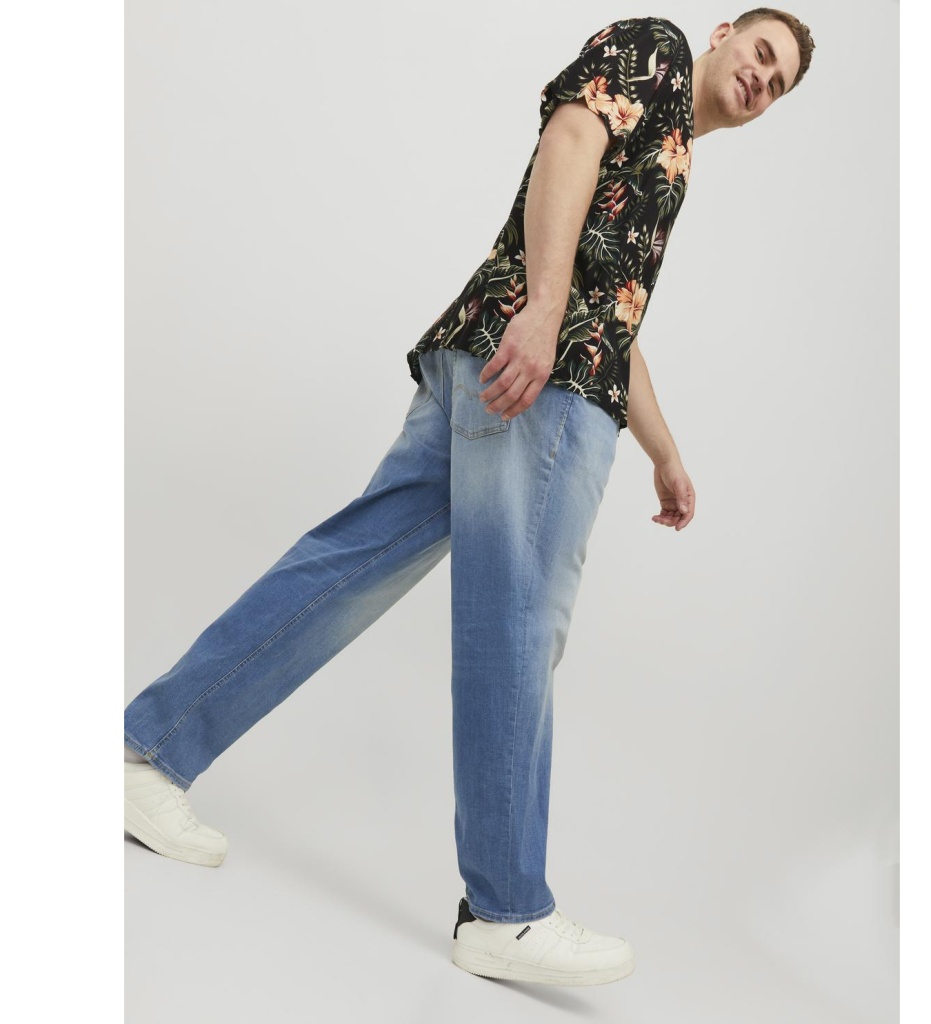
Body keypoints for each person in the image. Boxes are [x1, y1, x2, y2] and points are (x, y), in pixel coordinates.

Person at [124, 9, 814, 987]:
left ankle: (143, 754)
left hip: (495, 355)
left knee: (345, 567)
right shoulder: (657, 51)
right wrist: (542, 313)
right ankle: (505, 908)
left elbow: (613, 312)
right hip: (536, 378)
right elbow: (568, 139)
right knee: (516, 619)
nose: (762, 80)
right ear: (725, 32)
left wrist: (663, 449)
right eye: (761, 53)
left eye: (779, 84)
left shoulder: (673, 150)